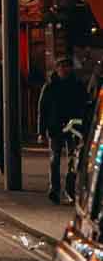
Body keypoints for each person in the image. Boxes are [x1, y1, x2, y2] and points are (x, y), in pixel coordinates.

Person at [38, 57, 91, 204]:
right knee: (54, 160)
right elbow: (42, 110)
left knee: (72, 161)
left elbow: (85, 106)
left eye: (67, 66)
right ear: (57, 69)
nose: (64, 69)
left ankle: (69, 190)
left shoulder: (77, 85)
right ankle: (54, 190)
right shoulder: (49, 86)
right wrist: (41, 132)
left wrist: (84, 128)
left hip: (73, 128)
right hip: (55, 128)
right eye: (61, 66)